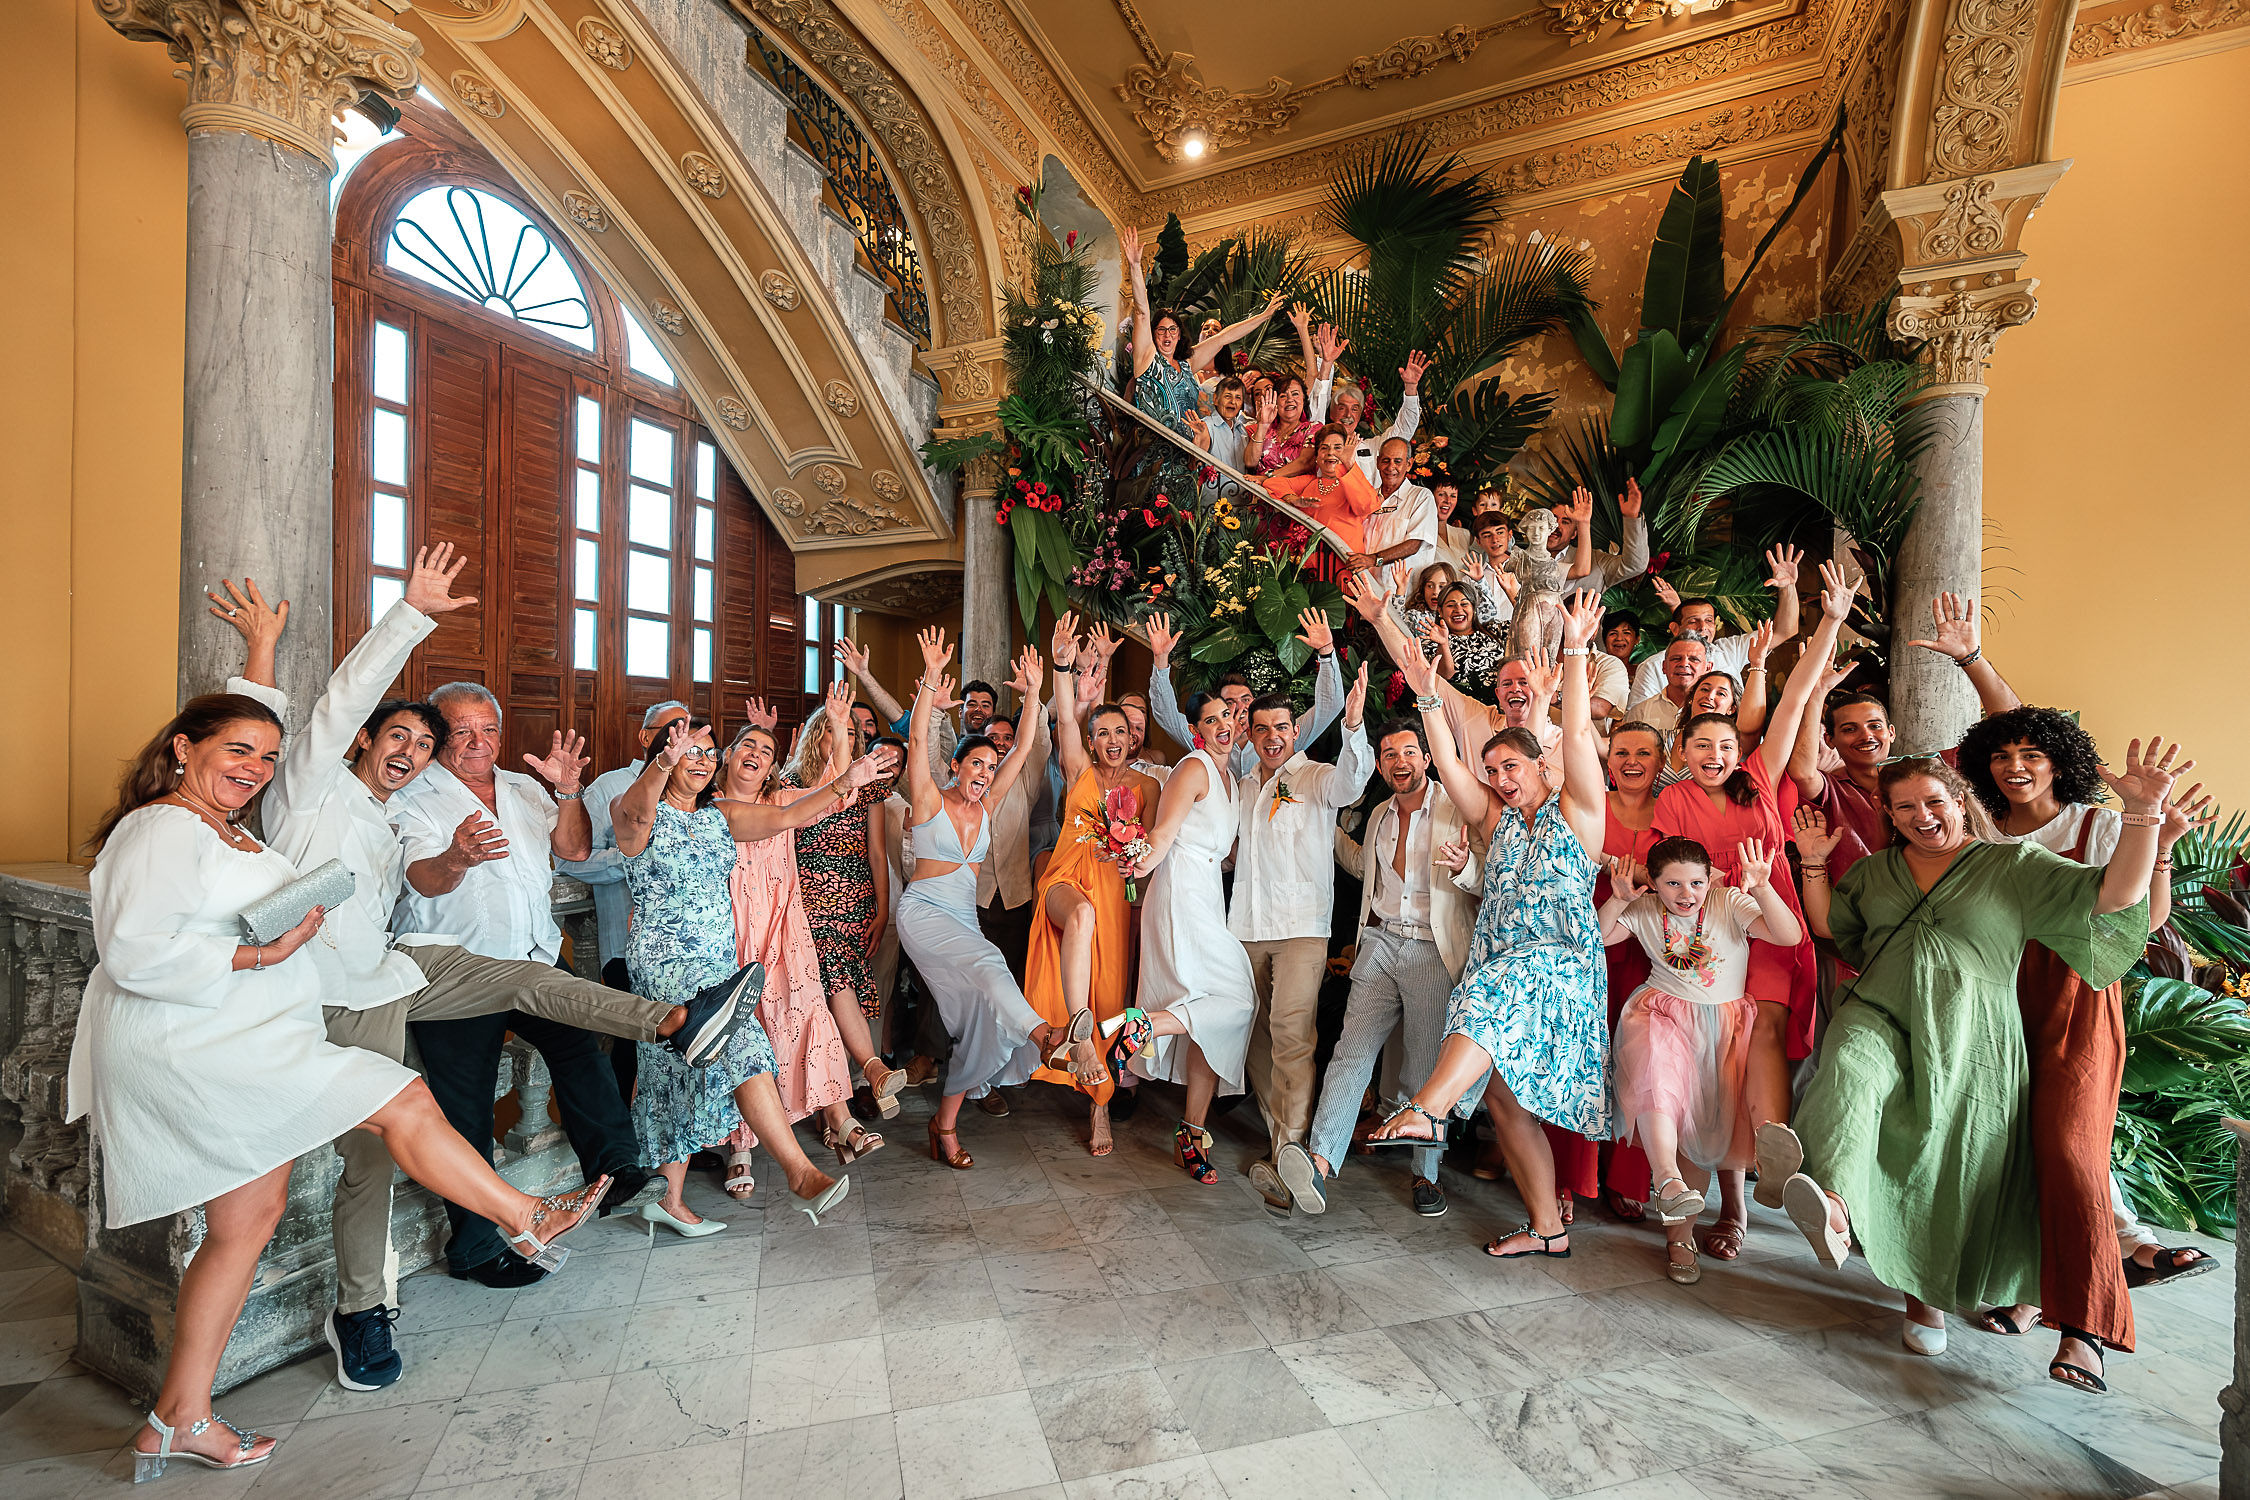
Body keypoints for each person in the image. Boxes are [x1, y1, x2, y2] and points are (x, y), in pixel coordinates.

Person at [206, 558, 740, 1390]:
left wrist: (535, 802)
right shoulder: (311, 789)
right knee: (356, 1163)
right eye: (407, 739)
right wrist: (404, 617)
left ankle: (674, 1024)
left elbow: (415, 879)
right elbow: (300, 723)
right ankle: (389, 1293)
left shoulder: (394, 812)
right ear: (362, 742)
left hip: (391, 979)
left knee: (535, 1000)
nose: (420, 753)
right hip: (322, 995)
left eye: (431, 742)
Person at [70, 695, 609, 1482]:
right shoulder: (156, 828)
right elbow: (134, 954)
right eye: (237, 752)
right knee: (401, 1098)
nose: (254, 769)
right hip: (201, 1043)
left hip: (248, 1034)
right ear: (183, 749)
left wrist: (279, 930)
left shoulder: (230, 828)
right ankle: (523, 1217)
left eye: (264, 756)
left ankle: (176, 1418)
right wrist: (270, 952)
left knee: (245, 1224)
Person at [1774, 742, 2179, 1378]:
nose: (1921, 815)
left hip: (1974, 1037)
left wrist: (2143, 816)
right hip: (1879, 1011)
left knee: (1941, 1166)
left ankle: (1926, 1302)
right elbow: (1832, 929)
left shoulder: (2014, 863)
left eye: (1933, 801)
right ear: (1889, 812)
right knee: (1849, 1070)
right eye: (1904, 806)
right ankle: (1830, 1201)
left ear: (1960, 801)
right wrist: (1816, 864)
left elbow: (2113, 899)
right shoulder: (1876, 873)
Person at [1955, 706, 2211, 1386]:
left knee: (2073, 1156)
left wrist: (2150, 824)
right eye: (2003, 753)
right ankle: (2033, 1293)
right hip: (1996, 1000)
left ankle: (2088, 1330)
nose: (2015, 765)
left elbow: (2145, 918)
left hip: (2077, 1001)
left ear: (2058, 761)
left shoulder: (2098, 823)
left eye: (2031, 753)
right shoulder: (1980, 830)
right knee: (2012, 1155)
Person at [1364, 591, 1613, 1260]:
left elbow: (1582, 736)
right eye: (1494, 770)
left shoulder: (1581, 815)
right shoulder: (1494, 823)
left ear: (1540, 764)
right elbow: (1446, 762)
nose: (1502, 779)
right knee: (1505, 1103)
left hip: (1555, 968)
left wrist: (1575, 645)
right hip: (1501, 965)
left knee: (1483, 995)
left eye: (1514, 767)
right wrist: (1425, 693)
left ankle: (1426, 1108)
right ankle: (1547, 1230)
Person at [388, 683, 653, 1283]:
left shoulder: (524, 788)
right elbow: (423, 881)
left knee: (579, 1045)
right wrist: (457, 857)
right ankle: (476, 1248)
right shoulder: (414, 795)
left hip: (530, 960)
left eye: (488, 730)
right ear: (438, 735)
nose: (478, 743)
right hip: (454, 971)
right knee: (465, 1110)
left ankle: (617, 1173)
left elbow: (575, 848)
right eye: (461, 731)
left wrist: (566, 792)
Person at [611, 716, 880, 1236]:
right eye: (691, 750)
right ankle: (800, 1173)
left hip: (717, 965)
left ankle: (666, 1198)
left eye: (709, 752)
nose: (702, 759)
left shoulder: (719, 816)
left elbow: (791, 815)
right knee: (743, 1052)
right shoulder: (637, 814)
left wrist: (846, 781)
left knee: (679, 1078)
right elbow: (638, 809)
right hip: (666, 967)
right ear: (666, 757)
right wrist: (662, 764)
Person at [1648, 562, 1844, 1248]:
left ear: (1740, 749)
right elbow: (1658, 872)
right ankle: (1741, 1178)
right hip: (1714, 934)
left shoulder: (1759, 779)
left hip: (1774, 919)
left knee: (1764, 1033)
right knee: (1720, 1055)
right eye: (1700, 744)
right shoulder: (1673, 799)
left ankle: (1772, 1151)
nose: (1713, 753)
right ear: (1684, 749)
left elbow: (1790, 702)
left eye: (1724, 744)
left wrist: (1831, 620)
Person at [1281, 719, 1483, 1218]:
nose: (1399, 762)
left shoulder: (1457, 808)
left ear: (1428, 758)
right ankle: (1321, 1164)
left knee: (1423, 1064)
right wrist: (1316, 824)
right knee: (1350, 1055)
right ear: (1380, 763)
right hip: (1379, 945)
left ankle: (1426, 1174)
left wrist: (1463, 869)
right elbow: (1364, 870)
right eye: (1389, 754)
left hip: (1432, 951)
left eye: (1409, 752)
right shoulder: (1377, 816)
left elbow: (1488, 877)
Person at [898, 631, 1083, 1168]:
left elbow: (1024, 748)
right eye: (974, 764)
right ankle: (1047, 1034)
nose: (983, 773)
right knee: (990, 961)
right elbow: (915, 745)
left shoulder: (988, 805)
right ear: (955, 767)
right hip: (924, 912)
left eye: (987, 766)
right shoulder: (930, 798)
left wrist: (1033, 693)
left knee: (979, 1016)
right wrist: (931, 678)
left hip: (963, 917)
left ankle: (945, 1125)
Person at [1598, 835, 1802, 1285]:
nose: (1685, 894)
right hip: (1661, 1012)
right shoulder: (1646, 910)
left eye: (1695, 882)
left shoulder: (1729, 902)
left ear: (1710, 878)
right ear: (1653, 883)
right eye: (1672, 884)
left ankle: (1680, 1230)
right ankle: (1667, 1181)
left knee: (1706, 1126)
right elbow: (1598, 937)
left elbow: (1789, 935)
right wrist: (1617, 899)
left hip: (1723, 1027)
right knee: (1658, 1081)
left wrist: (1764, 889)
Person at [713, 690, 884, 1189]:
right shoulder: (707, 807)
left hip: (785, 926)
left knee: (808, 1013)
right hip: (731, 929)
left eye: (767, 752)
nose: (756, 756)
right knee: (745, 1034)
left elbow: (837, 791)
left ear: (772, 768)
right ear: (729, 753)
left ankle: (841, 1118)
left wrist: (837, 727)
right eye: (748, 745)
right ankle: (738, 1150)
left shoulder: (782, 798)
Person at [1230, 667, 1374, 1207]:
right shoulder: (1244, 787)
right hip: (1244, 928)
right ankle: (1278, 1137)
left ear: (1295, 731)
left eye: (1282, 727)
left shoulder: (1316, 777)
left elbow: (1352, 781)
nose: (1271, 736)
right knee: (1254, 1034)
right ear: (1250, 733)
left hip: (1301, 931)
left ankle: (1291, 1148)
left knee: (1293, 1034)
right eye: (1261, 727)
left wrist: (1354, 726)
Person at [1022, 616, 1163, 1155]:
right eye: (1101, 731)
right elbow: (1062, 721)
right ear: (1090, 740)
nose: (1110, 739)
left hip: (1116, 894)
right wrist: (1062, 666)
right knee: (1077, 917)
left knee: (1112, 998)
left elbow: (1150, 850)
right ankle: (1077, 1027)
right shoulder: (1077, 767)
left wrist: (1130, 858)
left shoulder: (1148, 785)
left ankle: (1098, 1108)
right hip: (1066, 879)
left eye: (1119, 732)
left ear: (1132, 738)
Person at [1110, 687, 1261, 1185]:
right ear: (1196, 727)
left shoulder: (1231, 780)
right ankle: (1146, 1025)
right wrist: (1139, 859)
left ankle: (1190, 1135)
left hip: (1208, 898)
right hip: (1179, 894)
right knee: (1237, 999)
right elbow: (1163, 835)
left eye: (1229, 717)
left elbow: (1228, 851)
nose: (1223, 725)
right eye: (1212, 718)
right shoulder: (1193, 767)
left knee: (1213, 1018)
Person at [1785, 590, 2023, 879]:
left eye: (1875, 725)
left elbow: (2013, 730)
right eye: (1849, 729)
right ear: (1829, 740)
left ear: (1891, 732)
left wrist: (1970, 658)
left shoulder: (1931, 770)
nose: (1866, 736)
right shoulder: (1833, 790)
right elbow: (1801, 772)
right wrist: (1817, 692)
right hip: (1867, 912)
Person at [1539, 720, 1664, 1224]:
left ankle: (1628, 1177)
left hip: (1648, 951)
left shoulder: (1674, 811)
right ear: (1606, 761)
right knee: (1574, 1057)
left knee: (1636, 1062)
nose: (1631, 761)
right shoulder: (1584, 806)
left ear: (1661, 762)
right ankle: (1564, 1175)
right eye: (1621, 753)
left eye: (1644, 753)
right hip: (1586, 940)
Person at [779, 688, 907, 1143]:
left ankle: (836, 1101)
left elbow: (876, 852)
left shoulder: (868, 788)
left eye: (855, 734)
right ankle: (865, 1074)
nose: (850, 741)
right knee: (828, 987)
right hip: (807, 904)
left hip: (855, 902)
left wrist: (882, 907)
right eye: (841, 732)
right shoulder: (790, 788)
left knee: (831, 998)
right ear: (821, 737)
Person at [1145, 609, 1344, 781]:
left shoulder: (1281, 737)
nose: (1240, 707)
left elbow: (1330, 707)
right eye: (1230, 702)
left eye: (1246, 700)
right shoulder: (1207, 738)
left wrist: (1326, 652)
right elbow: (1166, 715)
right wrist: (1161, 660)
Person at [1623, 547, 1804, 703]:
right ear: (1674, 629)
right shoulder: (1654, 666)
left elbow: (1784, 631)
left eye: (1709, 621)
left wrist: (1787, 587)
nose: (1703, 627)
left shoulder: (1729, 651)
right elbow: (1639, 721)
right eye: (1693, 621)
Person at [1258, 425, 1385, 559]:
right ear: (1317, 456)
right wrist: (1294, 499)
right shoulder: (1309, 482)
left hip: (1344, 563)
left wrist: (1348, 463)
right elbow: (1271, 483)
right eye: (1324, 448)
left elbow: (1367, 506)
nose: (1330, 452)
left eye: (1337, 448)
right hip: (1310, 563)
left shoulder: (1351, 482)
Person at [1418, 583, 1510, 702]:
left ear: (1473, 608)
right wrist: (1443, 643)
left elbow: (1529, 627)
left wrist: (1510, 590)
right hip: (1465, 706)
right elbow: (1445, 675)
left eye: (1464, 604)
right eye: (1451, 605)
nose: (1458, 609)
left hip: (1506, 701)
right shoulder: (1431, 642)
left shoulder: (1494, 630)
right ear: (1440, 611)